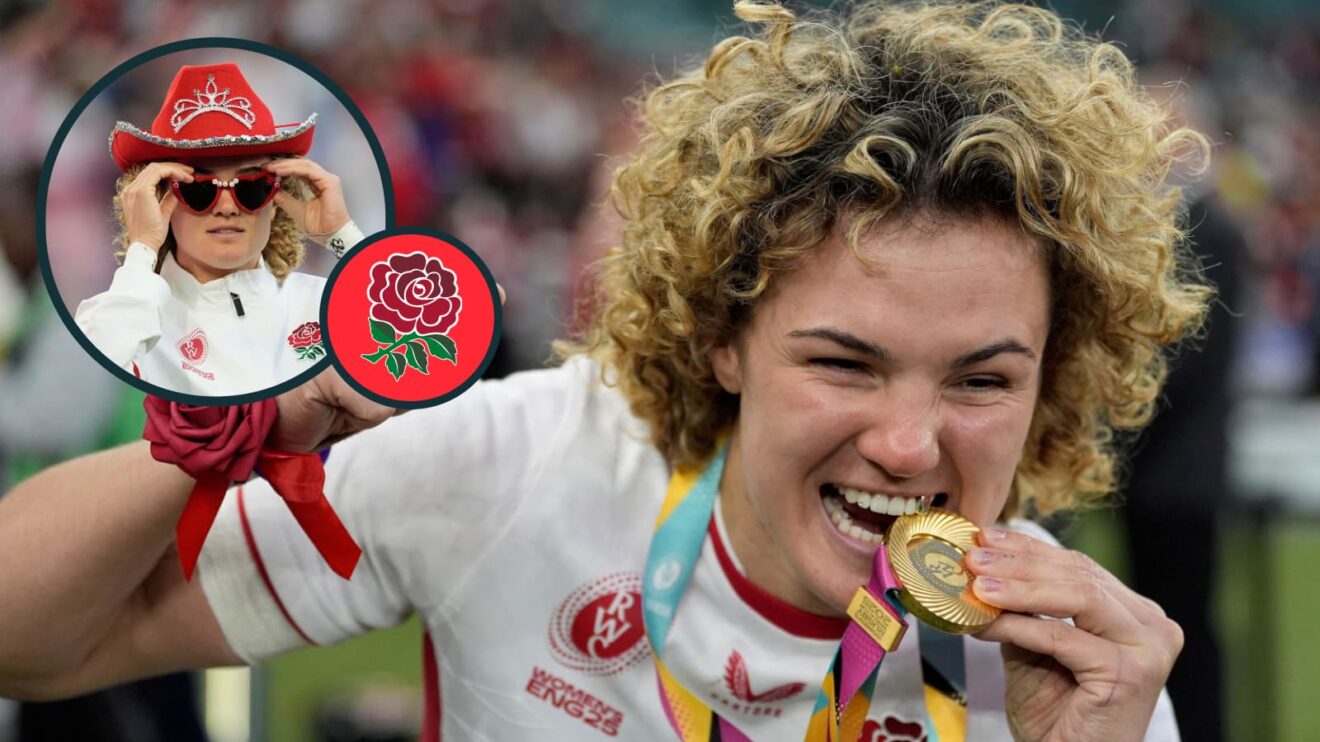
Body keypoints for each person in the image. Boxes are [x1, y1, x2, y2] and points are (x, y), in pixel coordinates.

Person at [0, 3, 1211, 740]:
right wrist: (220, 430)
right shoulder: (526, 459)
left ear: (1054, 375)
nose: (908, 442)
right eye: (845, 361)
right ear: (722, 336)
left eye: (982, 381)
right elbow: (30, 638)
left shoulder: (1071, 670)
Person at [74, 62, 364, 397]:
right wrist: (142, 250)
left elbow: (425, 371)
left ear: (276, 201)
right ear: (158, 199)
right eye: (199, 187)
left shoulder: (328, 307)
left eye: (252, 185)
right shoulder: (119, 319)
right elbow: (76, 408)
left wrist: (344, 237)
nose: (227, 206)